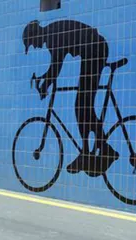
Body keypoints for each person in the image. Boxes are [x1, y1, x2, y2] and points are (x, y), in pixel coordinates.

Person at [22, 19, 119, 175]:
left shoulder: (53, 35)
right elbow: (54, 67)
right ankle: (101, 149)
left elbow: (56, 66)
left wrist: (45, 85)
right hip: (94, 49)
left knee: (81, 105)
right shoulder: (52, 34)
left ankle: (88, 153)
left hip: (94, 50)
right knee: (84, 106)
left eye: (32, 43)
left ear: (36, 35)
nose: (35, 46)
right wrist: (46, 80)